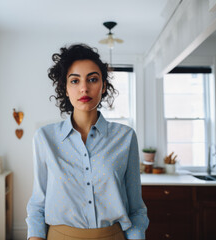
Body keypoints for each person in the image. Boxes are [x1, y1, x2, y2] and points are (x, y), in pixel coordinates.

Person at [26, 44, 149, 240]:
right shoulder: (45, 138)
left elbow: (136, 208)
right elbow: (38, 203)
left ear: (104, 86)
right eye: (75, 81)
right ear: (65, 88)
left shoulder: (125, 137)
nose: (84, 88)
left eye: (92, 79)